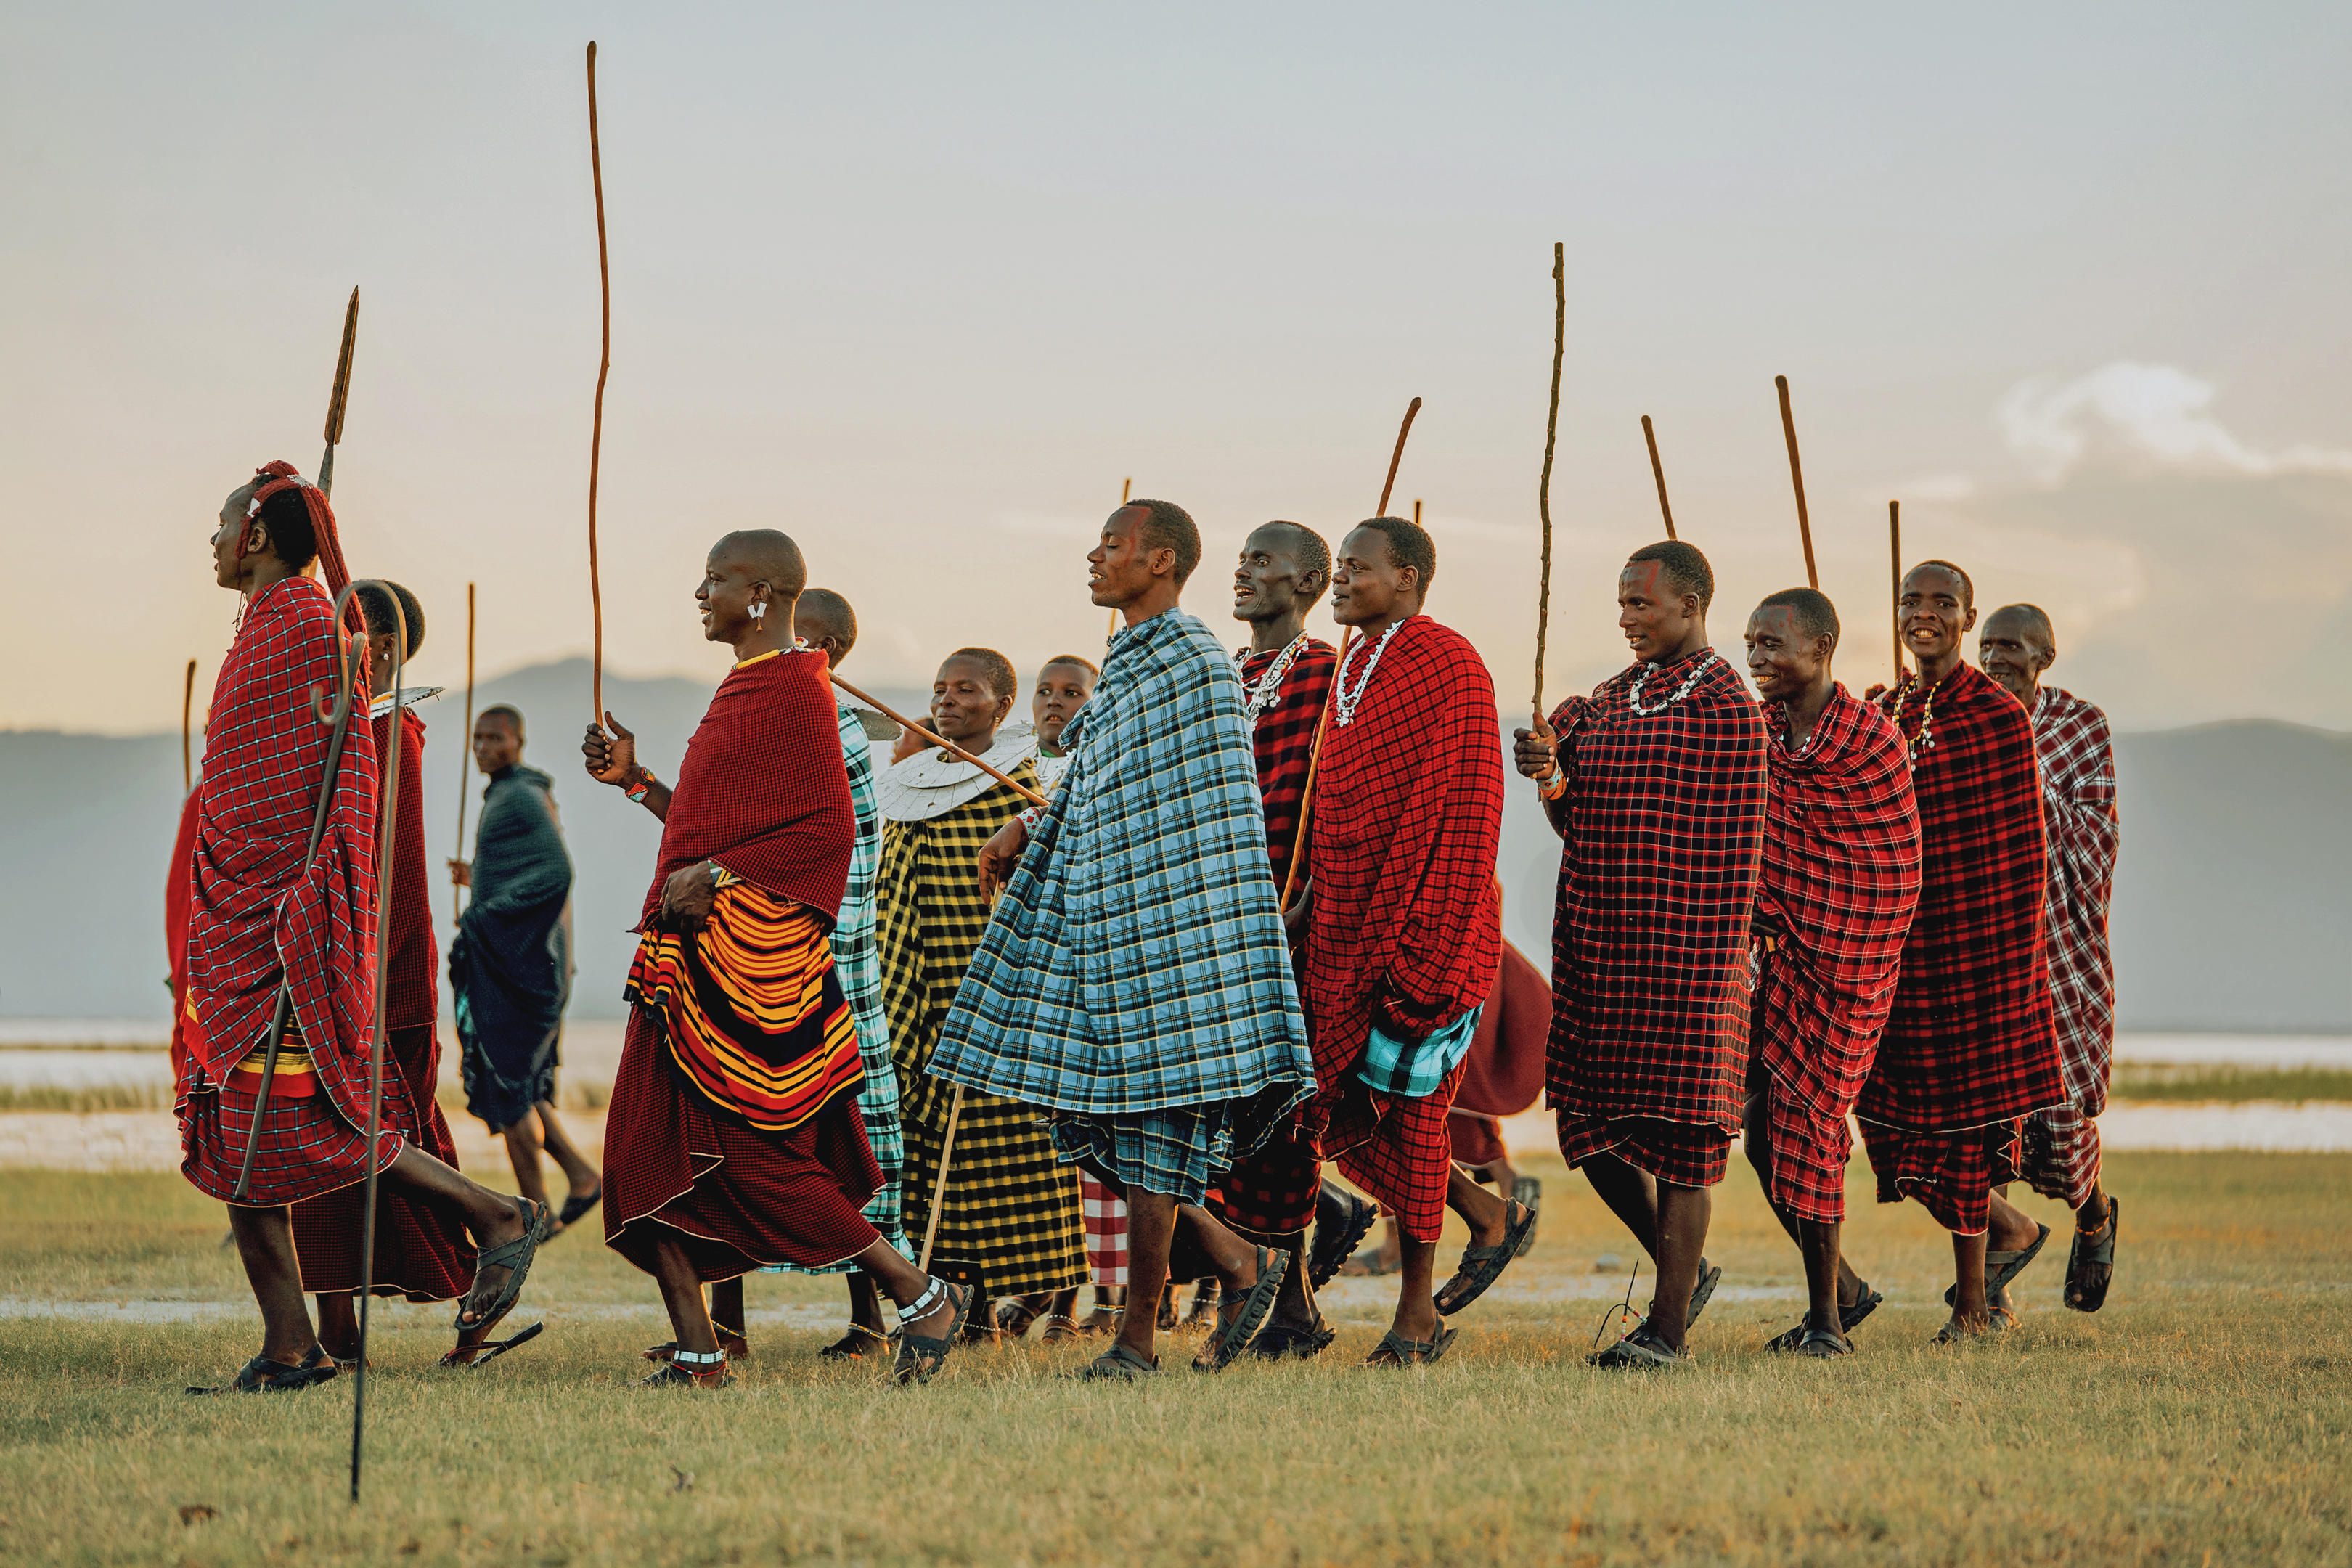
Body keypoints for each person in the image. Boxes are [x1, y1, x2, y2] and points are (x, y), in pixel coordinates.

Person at [181, 462, 544, 1393]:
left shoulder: (307, 627)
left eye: (222, 525)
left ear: (257, 535)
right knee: (239, 1143)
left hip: (279, 937)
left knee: (276, 1141)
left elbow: (338, 792)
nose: (212, 541)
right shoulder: (266, 630)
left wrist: (339, 727)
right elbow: (247, 784)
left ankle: (495, 1212)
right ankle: (290, 1347)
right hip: (236, 932)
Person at [934, 499, 1315, 1378]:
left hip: (1176, 930)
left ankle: (1136, 1339)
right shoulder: (1128, 660)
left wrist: (1155, 896)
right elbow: (1095, 778)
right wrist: (1028, 830)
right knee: (1088, 1103)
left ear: (1165, 561)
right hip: (1106, 925)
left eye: (1116, 546)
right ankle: (1233, 1257)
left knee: (1150, 1122)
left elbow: (1208, 811)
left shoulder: (1191, 662)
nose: (1097, 558)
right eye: (1098, 544)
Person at [582, 530, 972, 1387]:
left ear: (760, 594)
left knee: (754, 1161)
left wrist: (718, 875)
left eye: (714, 578)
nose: (699, 592)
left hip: (738, 970)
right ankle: (698, 1351)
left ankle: (920, 1297)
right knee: (642, 1149)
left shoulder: (798, 690)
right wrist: (637, 781)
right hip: (682, 961)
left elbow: (824, 835)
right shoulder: (745, 685)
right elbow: (714, 825)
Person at [1516, 539, 1766, 1368]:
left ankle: (1667, 1333)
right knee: (1585, 1126)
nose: (1626, 619)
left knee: (1689, 1137)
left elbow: (1740, 843)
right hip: (1606, 948)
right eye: (1621, 604)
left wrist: (1717, 951)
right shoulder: (1610, 702)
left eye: (1641, 605)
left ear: (1692, 606)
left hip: (1695, 954)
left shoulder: (1730, 708)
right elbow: (1573, 822)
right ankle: (1680, 1276)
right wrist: (1553, 776)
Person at [1302, 515, 1519, 1367]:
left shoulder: (1449, 661)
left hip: (1432, 924)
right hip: (1342, 926)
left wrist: (1424, 928)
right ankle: (1487, 1215)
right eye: (1339, 567)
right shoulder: (1349, 661)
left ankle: (1416, 1316)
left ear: (1410, 577)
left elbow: (1467, 806)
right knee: (1333, 1109)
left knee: (1421, 1120)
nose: (1341, 580)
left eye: (1358, 568)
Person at [1854, 561, 2067, 1342]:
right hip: (1897, 952)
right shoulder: (1884, 711)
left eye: (1943, 603)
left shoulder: (1996, 716)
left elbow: (2023, 854)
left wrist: (2014, 969)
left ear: (1968, 618)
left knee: (1966, 1127)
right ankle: (2009, 1231)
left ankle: (1975, 1306)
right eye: (1912, 601)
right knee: (1887, 1118)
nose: (1925, 614)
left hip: (1977, 952)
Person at [705, 587, 914, 1361]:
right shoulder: (771, 713)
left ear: (823, 648)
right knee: (726, 1132)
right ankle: (724, 1325)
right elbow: (728, 827)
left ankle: (873, 1315)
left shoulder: (828, 726)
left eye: (805, 640)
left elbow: (806, 848)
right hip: (763, 953)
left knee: (838, 1143)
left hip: (816, 967)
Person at [290, 580, 481, 1368]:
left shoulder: (388, 736)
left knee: (400, 1139)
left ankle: (483, 1289)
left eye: (349, 633)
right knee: (312, 1154)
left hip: (376, 978)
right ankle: (337, 1334)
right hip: (327, 975)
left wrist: (352, 977)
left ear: (390, 651)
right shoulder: (335, 731)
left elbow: (381, 879)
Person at [876, 648, 1087, 1342]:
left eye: (966, 690)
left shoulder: (1020, 792)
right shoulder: (906, 783)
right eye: (940, 688)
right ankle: (951, 1301)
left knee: (995, 1149)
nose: (947, 700)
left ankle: (1010, 1300)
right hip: (915, 997)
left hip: (997, 1002)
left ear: (1002, 706)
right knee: (928, 1152)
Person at [1741, 588, 1922, 1357]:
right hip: (1776, 967)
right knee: (1756, 1135)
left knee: (1811, 1133)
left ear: (1820, 649)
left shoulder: (1869, 741)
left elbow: (1892, 874)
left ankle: (1827, 1323)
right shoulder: (1761, 735)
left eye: (1771, 645)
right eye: (1748, 644)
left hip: (1848, 970)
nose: (1755, 658)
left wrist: (1812, 919)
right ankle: (1842, 1288)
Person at [1192, 520, 1341, 1355]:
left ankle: (1271, 1304)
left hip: (1293, 922)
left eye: (1262, 560)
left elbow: (1347, 794)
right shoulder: (1226, 675)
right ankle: (1290, 1309)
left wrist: (1315, 891)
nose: (1242, 572)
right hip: (1220, 921)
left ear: (1311, 579)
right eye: (1240, 559)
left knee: (1280, 1117)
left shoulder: (1330, 674)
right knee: (1225, 1113)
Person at [1979, 601, 2121, 1312]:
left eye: (2011, 647)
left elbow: (2097, 839)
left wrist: (2026, 783)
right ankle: (1987, 1295)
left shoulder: (2079, 727)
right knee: (1980, 1118)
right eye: (1988, 646)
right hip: (1977, 947)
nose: (1997, 658)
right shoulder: (1956, 717)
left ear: (2045, 657)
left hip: (2055, 952)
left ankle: (2092, 1215)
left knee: (2060, 1127)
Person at [448, 703, 601, 1239]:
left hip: (523, 971)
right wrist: (481, 878)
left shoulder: (520, 796)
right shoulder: (510, 792)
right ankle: (582, 1178)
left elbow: (555, 873)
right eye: (477, 737)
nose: (483, 747)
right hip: (526, 968)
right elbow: (523, 872)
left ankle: (535, 1213)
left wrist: (485, 916)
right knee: (523, 1086)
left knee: (509, 1086)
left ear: (519, 741)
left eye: (495, 737)